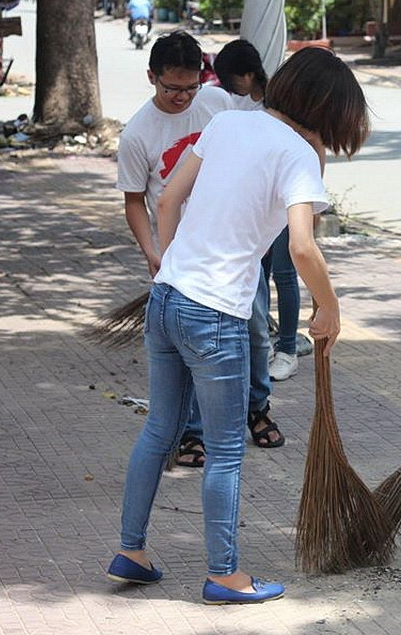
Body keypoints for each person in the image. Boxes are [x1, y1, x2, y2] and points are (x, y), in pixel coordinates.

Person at [105, 46, 370, 604]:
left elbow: (169, 199)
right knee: (226, 451)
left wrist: (176, 265)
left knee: (159, 430)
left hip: (166, 299)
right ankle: (224, 573)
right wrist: (330, 307)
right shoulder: (297, 154)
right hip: (217, 316)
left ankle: (131, 550)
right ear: (328, 109)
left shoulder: (226, 122)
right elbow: (302, 245)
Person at [116, 32, 285, 469]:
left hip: (236, 243)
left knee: (254, 328)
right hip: (181, 256)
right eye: (171, 88)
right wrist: (153, 251)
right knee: (191, 345)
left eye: (190, 87)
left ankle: (256, 407)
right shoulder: (138, 133)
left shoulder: (216, 105)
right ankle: (192, 433)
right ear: (151, 77)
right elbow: (136, 201)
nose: (182, 97)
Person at [214, 39, 315, 382]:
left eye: (230, 78)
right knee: (260, 272)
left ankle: (287, 348)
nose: (228, 86)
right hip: (257, 205)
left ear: (247, 74)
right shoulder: (241, 105)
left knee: (286, 273)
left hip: (286, 201)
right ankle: (267, 339)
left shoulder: (280, 104)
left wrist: (306, 202)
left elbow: (312, 148)